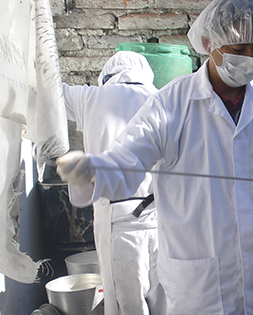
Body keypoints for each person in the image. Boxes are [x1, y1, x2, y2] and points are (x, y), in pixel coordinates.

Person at [55, 0, 253, 314]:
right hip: (201, 293)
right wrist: (91, 171)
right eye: (238, 50)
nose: (249, 59)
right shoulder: (171, 106)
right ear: (209, 42)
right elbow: (127, 163)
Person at [61, 50, 165, 315]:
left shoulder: (90, 97)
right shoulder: (162, 99)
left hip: (117, 222)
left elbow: (50, 94)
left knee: (127, 305)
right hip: (161, 221)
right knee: (165, 304)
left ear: (106, 77)